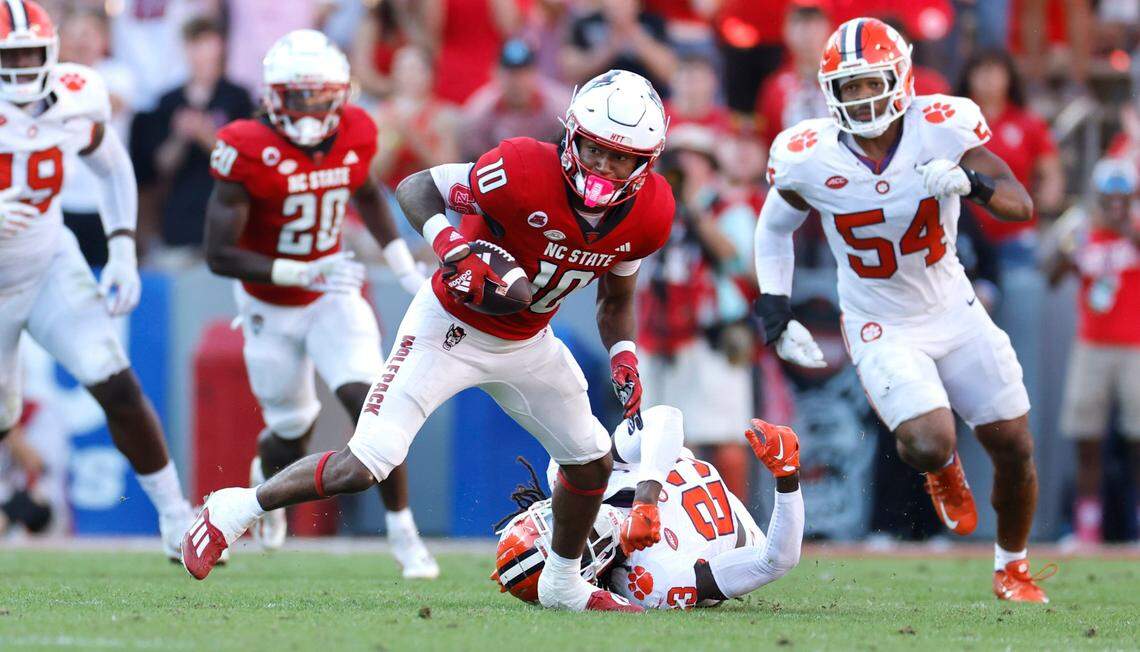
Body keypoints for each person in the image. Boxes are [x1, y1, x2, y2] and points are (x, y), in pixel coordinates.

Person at [182, 70, 675, 614]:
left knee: (591, 463)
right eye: (594, 148)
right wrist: (453, 249)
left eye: (620, 156)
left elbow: (616, 297)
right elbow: (417, 187)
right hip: (448, 327)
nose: (604, 165)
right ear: (571, 135)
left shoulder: (651, 214)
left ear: (645, 162)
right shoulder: (520, 169)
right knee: (363, 465)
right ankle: (236, 507)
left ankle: (562, 583)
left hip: (529, 341)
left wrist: (623, 355)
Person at [753, 18, 1053, 602]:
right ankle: (942, 470)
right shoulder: (806, 155)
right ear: (831, 92)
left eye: (873, 83)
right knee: (928, 441)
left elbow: (1022, 205)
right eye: (852, 87)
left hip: (954, 308)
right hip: (878, 320)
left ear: (901, 78)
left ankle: (1011, 567)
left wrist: (972, 182)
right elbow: (773, 230)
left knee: (1016, 447)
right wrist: (775, 310)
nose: (864, 98)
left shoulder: (942, 128)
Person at [201, 30, 435, 577]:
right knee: (291, 428)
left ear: (341, 94)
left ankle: (404, 534)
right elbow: (218, 252)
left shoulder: (355, 129)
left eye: (318, 95)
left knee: (373, 405)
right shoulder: (244, 145)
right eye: (297, 95)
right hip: (269, 305)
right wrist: (295, 269)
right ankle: (267, 484)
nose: (309, 108)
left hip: (332, 291)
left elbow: (367, 191)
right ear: (272, 96)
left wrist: (401, 261)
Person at [0, 0, 193, 560]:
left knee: (117, 384)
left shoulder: (75, 92)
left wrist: (123, 250)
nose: (21, 68)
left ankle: (177, 520)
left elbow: (112, 165)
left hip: (46, 265)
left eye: (31, 54)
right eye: (10, 57)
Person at [491, 406, 804, 609]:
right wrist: (787, 479)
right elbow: (774, 561)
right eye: (571, 545)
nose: (574, 529)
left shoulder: (570, 475)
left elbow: (666, 416)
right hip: (737, 533)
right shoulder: (650, 583)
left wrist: (646, 500)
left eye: (550, 519)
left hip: (678, 475)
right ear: (583, 573)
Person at [1043, 158, 1140, 545]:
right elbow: (1050, 275)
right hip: (1092, 345)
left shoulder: (1133, 228)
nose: (1115, 204)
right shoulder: (1083, 229)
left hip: (1134, 346)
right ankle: (1088, 528)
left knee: (1138, 441)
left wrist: (1124, 229)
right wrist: (1068, 245)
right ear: (1097, 197)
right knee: (1087, 439)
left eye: (1122, 197)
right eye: (1108, 198)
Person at [134, 17, 253, 256]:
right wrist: (180, 136)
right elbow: (160, 167)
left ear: (220, 48)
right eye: (195, 46)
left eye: (208, 45)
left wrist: (206, 135)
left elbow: (244, 162)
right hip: (180, 225)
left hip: (229, 225)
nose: (202, 55)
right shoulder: (168, 102)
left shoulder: (238, 98)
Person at [459, 38, 570, 161]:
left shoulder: (560, 107)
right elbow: (473, 160)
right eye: (511, 74)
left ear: (535, 73)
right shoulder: (479, 112)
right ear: (495, 73)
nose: (517, 82)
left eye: (523, 73)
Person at [369, 46, 458, 192]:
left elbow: (449, 173)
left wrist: (412, 138)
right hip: (392, 194)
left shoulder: (444, 116)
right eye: (403, 69)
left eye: (416, 69)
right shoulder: (380, 115)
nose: (410, 75)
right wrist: (394, 140)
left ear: (430, 74)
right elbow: (376, 173)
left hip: (432, 194)